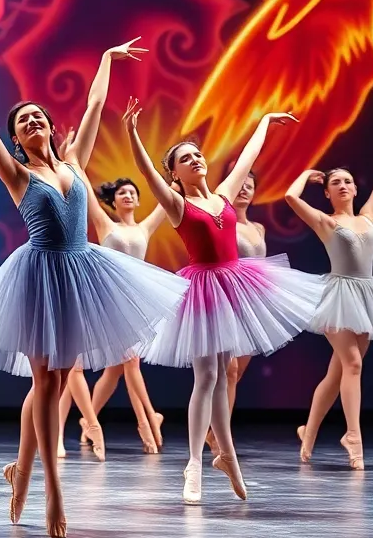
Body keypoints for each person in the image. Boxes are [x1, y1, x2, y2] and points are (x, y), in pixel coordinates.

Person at [0, 38, 186, 538]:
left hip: (81, 273)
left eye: (38, 117)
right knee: (46, 382)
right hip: (39, 277)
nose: (33, 122)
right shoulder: (18, 173)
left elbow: (95, 105)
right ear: (16, 137)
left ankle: (21, 472)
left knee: (53, 384)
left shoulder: (73, 163)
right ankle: (52, 491)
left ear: (51, 128)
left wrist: (105, 58)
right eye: (23, 121)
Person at [127, 104, 323, 504]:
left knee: (221, 376)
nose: (195, 160)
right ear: (175, 175)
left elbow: (249, 156)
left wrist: (264, 122)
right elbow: (147, 174)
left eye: (197, 155)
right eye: (185, 159)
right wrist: (132, 133)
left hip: (234, 286)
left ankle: (228, 456)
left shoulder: (224, 196)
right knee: (207, 377)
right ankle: (194, 464)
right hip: (202, 290)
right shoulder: (178, 205)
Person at [286, 136, 373, 469]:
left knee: (337, 374)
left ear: (355, 188)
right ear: (327, 193)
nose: (343, 185)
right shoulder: (326, 221)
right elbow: (290, 197)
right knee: (353, 365)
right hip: (337, 296)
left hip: (366, 296)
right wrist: (305, 174)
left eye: (347, 181)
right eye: (335, 182)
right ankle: (353, 436)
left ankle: (308, 433)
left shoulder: (367, 216)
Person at [64, 175, 169, 454]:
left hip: (135, 303)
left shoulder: (145, 227)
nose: (128, 196)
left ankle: (88, 422)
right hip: (106, 301)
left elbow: (167, 196)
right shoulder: (105, 224)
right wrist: (73, 162)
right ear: (113, 200)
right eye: (122, 192)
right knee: (130, 361)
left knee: (116, 370)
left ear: (138, 200)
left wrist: (172, 178)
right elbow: (85, 188)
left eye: (133, 192)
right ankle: (148, 421)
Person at [205, 171, 267, 459]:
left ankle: (213, 430)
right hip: (226, 298)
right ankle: (221, 436)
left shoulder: (259, 228)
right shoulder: (223, 222)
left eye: (249, 186)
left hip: (251, 304)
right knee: (227, 371)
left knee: (235, 373)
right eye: (239, 185)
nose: (244, 190)